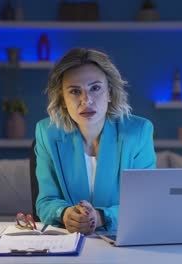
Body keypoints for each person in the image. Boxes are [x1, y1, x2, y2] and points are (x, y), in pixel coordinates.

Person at [34, 48, 156, 234]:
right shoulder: (47, 133)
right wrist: (65, 213)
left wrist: (100, 217)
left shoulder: (138, 132)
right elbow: (45, 201)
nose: (86, 100)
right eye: (75, 91)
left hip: (122, 240)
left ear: (109, 93)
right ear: (63, 99)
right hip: (67, 243)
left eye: (95, 88)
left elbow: (145, 203)